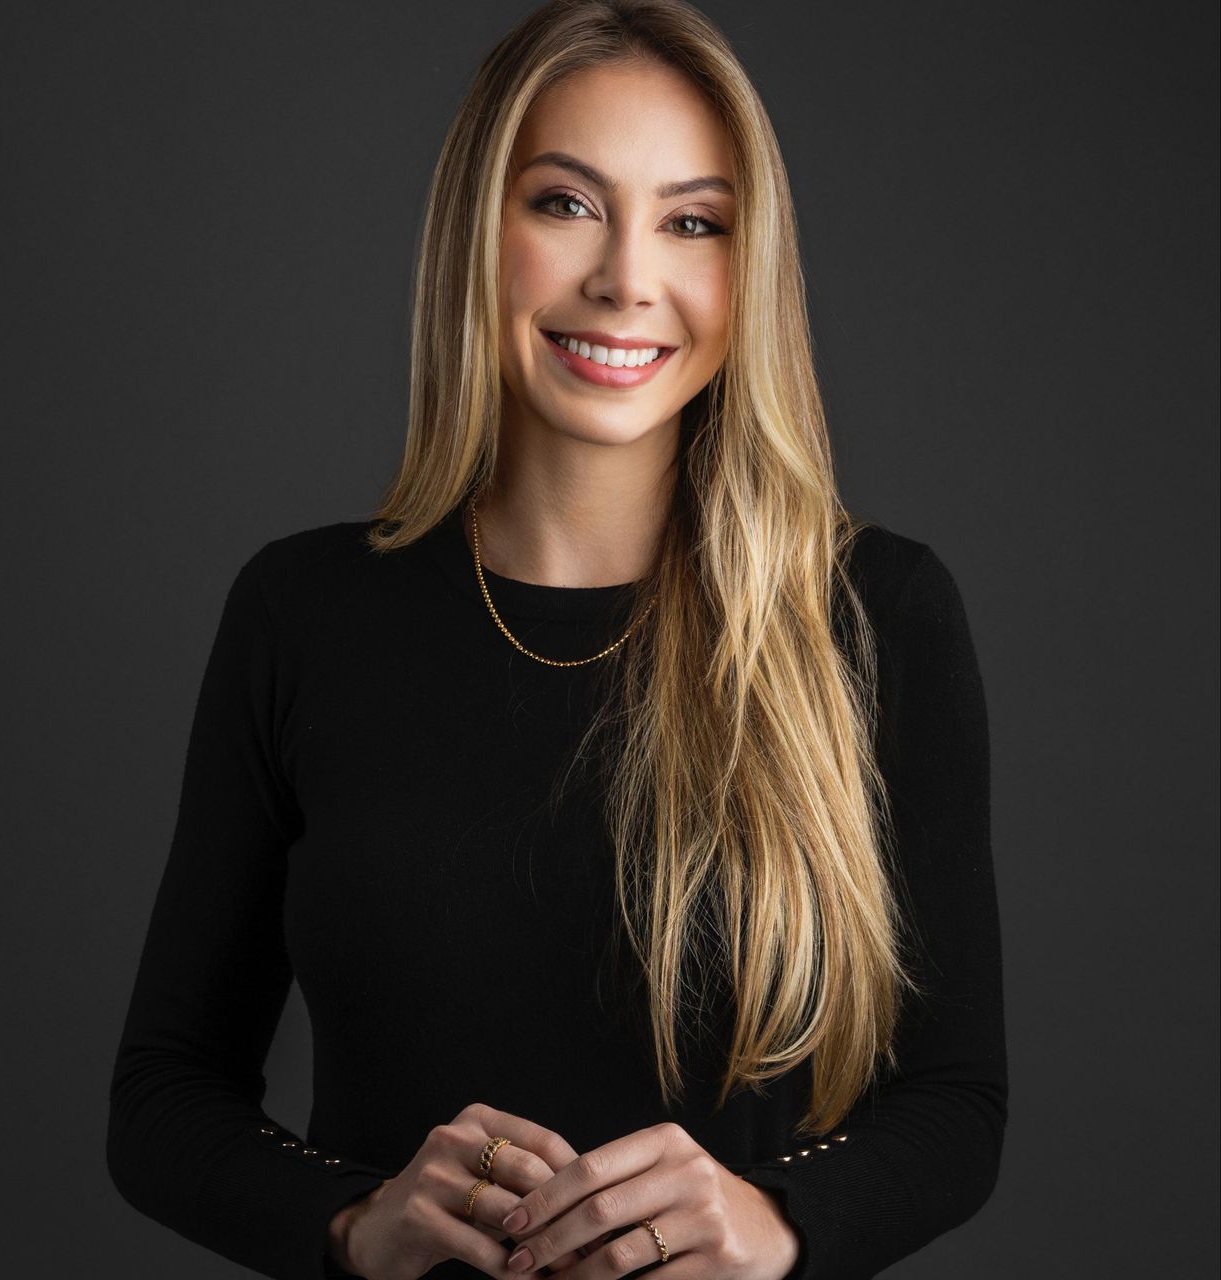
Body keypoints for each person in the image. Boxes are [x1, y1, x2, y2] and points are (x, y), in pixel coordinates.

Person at [105, 2, 1008, 1278]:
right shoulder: (301, 610)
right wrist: (354, 1220)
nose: (626, 279)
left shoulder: (872, 614)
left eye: (692, 222)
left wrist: (774, 1219)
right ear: (477, 231)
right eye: (567, 204)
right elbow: (162, 1095)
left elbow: (953, 1101)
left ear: (747, 267)